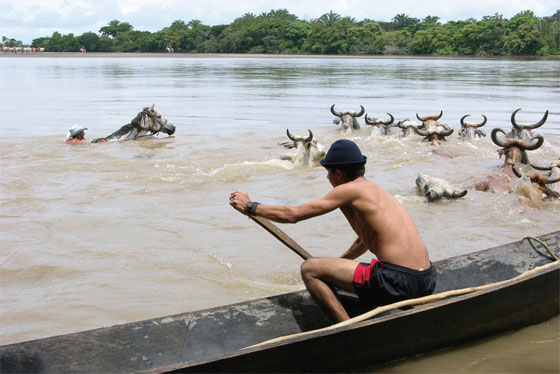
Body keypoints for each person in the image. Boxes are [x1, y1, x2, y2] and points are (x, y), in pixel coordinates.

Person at [229, 139, 436, 323]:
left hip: (396, 281)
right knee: (326, 269)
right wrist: (340, 264)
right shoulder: (378, 191)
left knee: (310, 269)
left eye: (328, 173)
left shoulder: (348, 190)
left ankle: (347, 330)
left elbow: (293, 214)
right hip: (426, 280)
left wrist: (251, 206)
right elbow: (363, 241)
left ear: (338, 173)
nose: (328, 178)